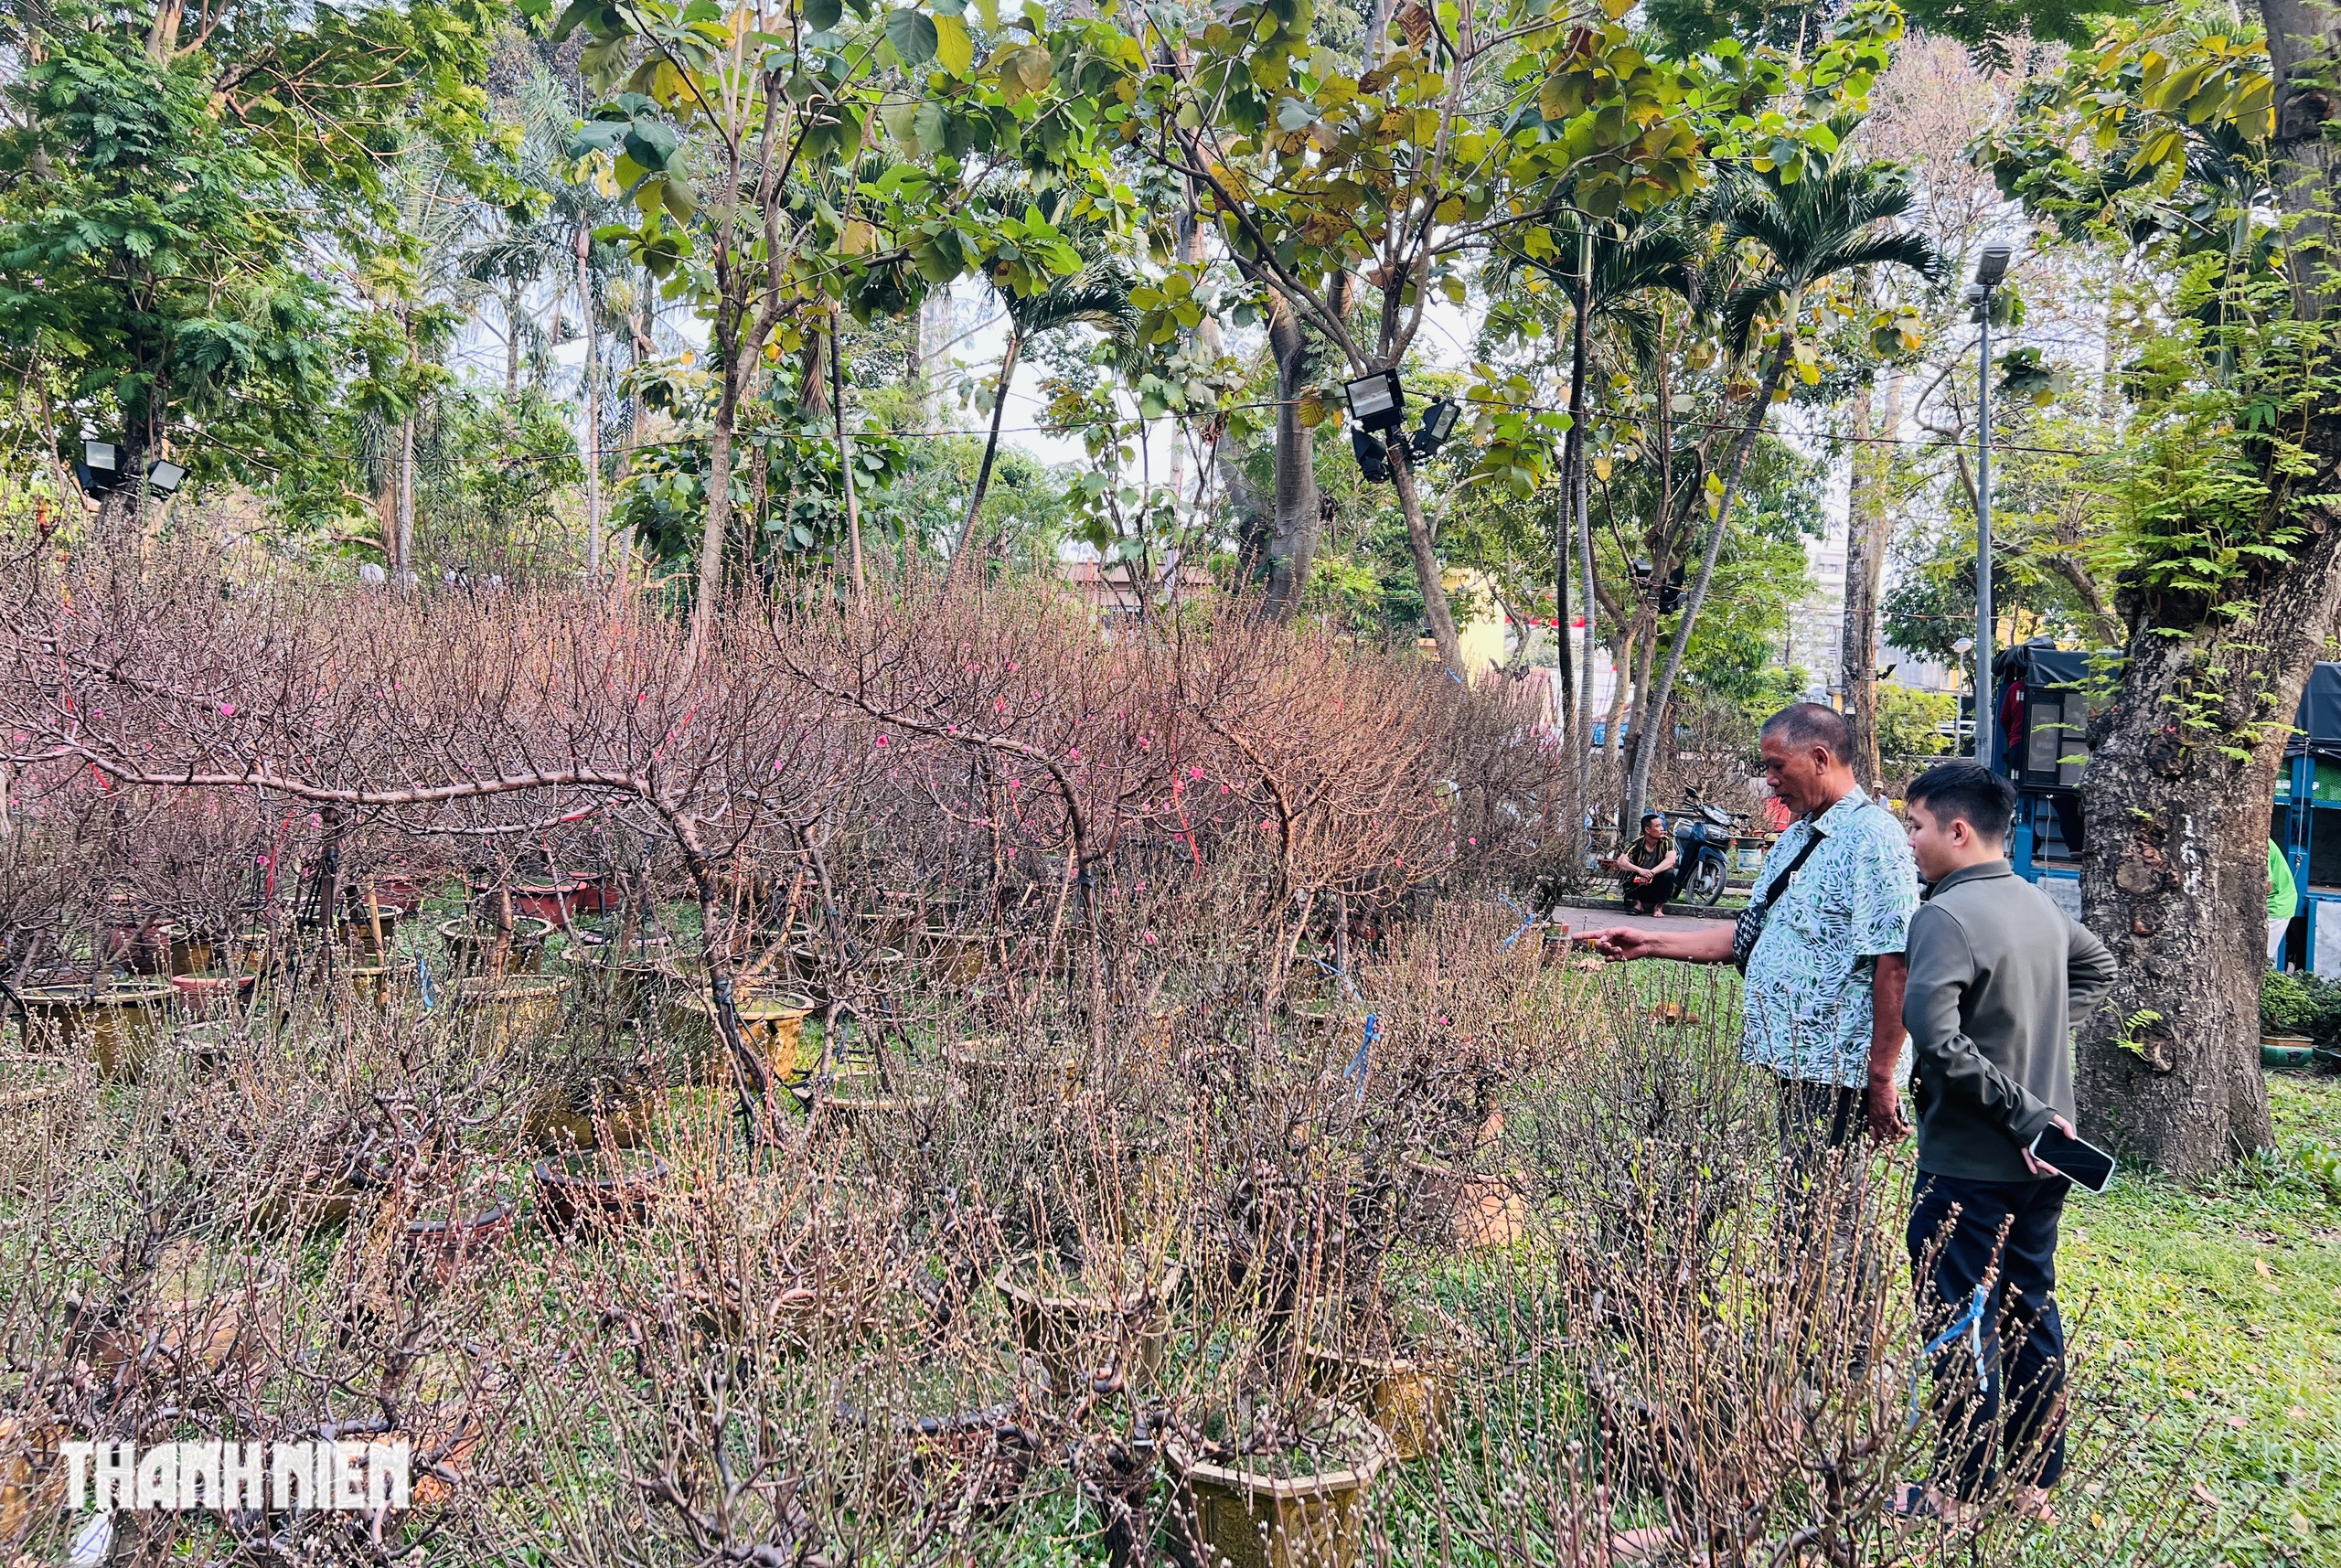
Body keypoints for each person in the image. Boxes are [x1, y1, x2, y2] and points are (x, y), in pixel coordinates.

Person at [1585, 705, 1919, 1251]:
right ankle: (1803, 1317)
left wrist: (1880, 1078)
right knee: (1803, 1207)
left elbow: (1896, 962)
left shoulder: (1872, 840)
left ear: (1819, 758)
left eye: (1775, 765)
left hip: (1838, 1070)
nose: (1768, 780)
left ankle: (1836, 1328)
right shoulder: (1798, 837)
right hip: (1795, 1062)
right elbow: (1753, 933)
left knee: (1826, 1221)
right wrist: (1648, 942)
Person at [1894, 761, 2117, 1525]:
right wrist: (2036, 1040)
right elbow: (2098, 964)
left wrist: (2018, 1110)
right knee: (2029, 1307)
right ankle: (2032, 1485)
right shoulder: (2038, 903)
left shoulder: (1943, 916)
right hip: (2048, 1159)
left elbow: (1935, 1037)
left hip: (1972, 1159)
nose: (1911, 842)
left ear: (1957, 830)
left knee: (1958, 1315)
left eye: (1915, 826)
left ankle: (1953, 1494)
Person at [1605, 812, 1679, 914]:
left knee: (1669, 873)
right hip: (1640, 883)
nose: (1662, 829)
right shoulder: (1637, 843)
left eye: (1661, 825)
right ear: (1647, 830)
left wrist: (1651, 873)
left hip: (1658, 884)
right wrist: (1641, 871)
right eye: (1658, 826)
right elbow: (1621, 861)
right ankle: (1637, 904)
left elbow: (1671, 860)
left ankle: (1658, 907)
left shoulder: (1667, 842)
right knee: (1625, 872)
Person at [2269, 838, 2298, 967]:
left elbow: (2266, 885)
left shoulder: (2259, 845)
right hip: (2274, 900)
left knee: (2259, 956)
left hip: (2276, 904)